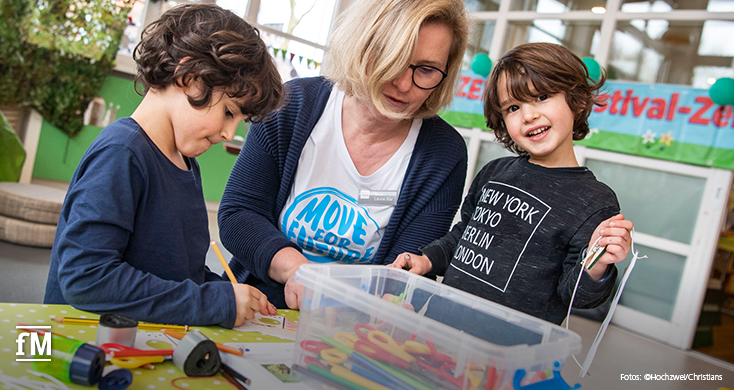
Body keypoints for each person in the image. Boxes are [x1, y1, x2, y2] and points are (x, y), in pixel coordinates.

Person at [218, 0, 469, 310]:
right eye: (392, 58)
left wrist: (393, 297)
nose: (404, 85)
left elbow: (410, 265)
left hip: (356, 322)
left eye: (427, 70)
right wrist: (299, 272)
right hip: (259, 306)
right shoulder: (291, 105)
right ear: (360, 46)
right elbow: (239, 215)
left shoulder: (444, 153)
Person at [44, 4, 282, 328]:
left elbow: (176, 274)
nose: (229, 132)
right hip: (79, 347)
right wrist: (212, 302)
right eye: (229, 112)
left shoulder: (185, 162)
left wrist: (226, 292)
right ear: (187, 78)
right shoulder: (122, 154)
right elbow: (86, 278)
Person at [390, 42, 634, 325]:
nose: (528, 115)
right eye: (513, 107)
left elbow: (577, 296)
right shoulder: (494, 173)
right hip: (439, 327)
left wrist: (597, 265)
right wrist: (427, 260)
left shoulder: (594, 201)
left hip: (511, 351)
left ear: (577, 101)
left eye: (542, 96)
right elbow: (464, 236)